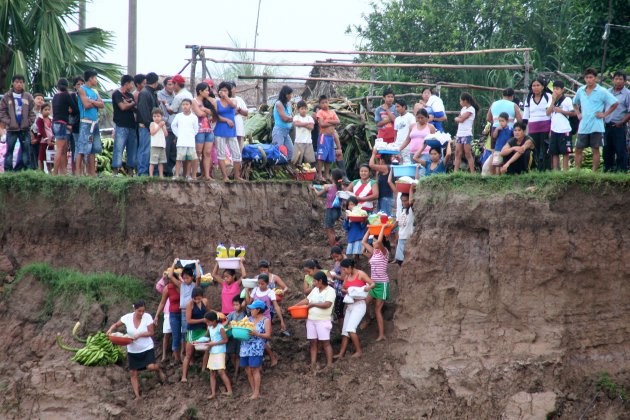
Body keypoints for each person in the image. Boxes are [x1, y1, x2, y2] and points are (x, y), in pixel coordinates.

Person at [106, 300, 165, 400]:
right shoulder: (127, 317)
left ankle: (159, 369)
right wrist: (110, 329)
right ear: (134, 309)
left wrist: (139, 335)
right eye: (139, 311)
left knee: (151, 367)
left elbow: (151, 332)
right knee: (133, 373)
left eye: (143, 311)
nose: (141, 313)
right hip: (133, 350)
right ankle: (137, 396)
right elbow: (116, 325)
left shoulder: (147, 317)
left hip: (146, 347)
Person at [573, 68, 619, 171]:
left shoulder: (601, 91)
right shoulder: (581, 90)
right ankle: (576, 172)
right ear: (584, 79)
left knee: (595, 149)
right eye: (587, 77)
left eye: (591, 77)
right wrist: (578, 113)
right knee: (578, 149)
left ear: (596, 78)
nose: (589, 80)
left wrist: (604, 114)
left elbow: (615, 103)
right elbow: (574, 103)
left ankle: (594, 173)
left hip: (596, 125)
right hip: (583, 125)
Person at [334, 258, 375, 359]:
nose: (343, 272)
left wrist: (366, 289)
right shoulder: (347, 276)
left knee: (350, 329)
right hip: (350, 305)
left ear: (350, 267)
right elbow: (343, 287)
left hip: (359, 304)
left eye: (344, 269)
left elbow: (373, 284)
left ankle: (359, 351)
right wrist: (346, 291)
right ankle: (341, 354)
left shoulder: (360, 274)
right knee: (345, 331)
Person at [294, 271, 336, 369]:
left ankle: (329, 365)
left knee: (325, 343)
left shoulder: (330, 291)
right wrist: (295, 306)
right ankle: (313, 363)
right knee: (313, 342)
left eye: (315, 281)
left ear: (321, 281)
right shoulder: (315, 290)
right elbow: (307, 300)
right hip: (311, 320)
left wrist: (313, 304)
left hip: (323, 320)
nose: (313, 283)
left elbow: (327, 304)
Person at [0, 74, 36, 172]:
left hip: (24, 128)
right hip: (12, 129)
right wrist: (9, 122)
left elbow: (32, 111)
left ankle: (25, 171)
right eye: (16, 82)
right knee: (9, 151)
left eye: (21, 82)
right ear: (13, 83)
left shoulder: (28, 96)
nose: (19, 84)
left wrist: (28, 122)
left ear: (23, 83)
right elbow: (2, 112)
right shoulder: (7, 96)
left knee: (26, 151)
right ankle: (8, 171)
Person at [361, 224, 390, 342]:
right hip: (373, 284)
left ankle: (381, 334)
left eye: (373, 240)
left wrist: (382, 227)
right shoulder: (375, 252)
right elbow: (363, 242)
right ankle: (368, 320)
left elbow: (378, 242)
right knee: (364, 303)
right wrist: (370, 229)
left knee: (377, 310)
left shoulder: (384, 252)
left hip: (382, 285)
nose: (372, 243)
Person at [239, 300, 272, 399]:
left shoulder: (265, 320)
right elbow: (240, 328)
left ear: (258, 310)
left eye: (252, 309)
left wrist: (257, 334)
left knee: (255, 369)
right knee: (248, 369)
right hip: (245, 347)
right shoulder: (248, 319)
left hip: (256, 348)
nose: (250, 310)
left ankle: (257, 392)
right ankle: (253, 390)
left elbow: (268, 335)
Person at [76, 69, 104, 177]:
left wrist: (92, 101)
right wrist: (96, 102)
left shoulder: (95, 91)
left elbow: (102, 105)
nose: (96, 80)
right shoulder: (82, 89)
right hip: (86, 122)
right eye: (95, 78)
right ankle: (78, 173)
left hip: (95, 122)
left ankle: (92, 173)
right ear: (90, 78)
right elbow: (86, 105)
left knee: (93, 149)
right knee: (82, 148)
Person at [214, 81, 243, 181]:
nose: (223, 92)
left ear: (229, 92)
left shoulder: (233, 100)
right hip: (220, 130)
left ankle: (237, 176)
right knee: (221, 154)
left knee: (237, 154)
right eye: (221, 90)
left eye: (225, 90)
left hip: (231, 131)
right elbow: (216, 116)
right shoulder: (216, 101)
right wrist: (226, 120)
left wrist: (225, 97)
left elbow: (233, 106)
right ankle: (225, 176)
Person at [523, 78, 553, 171]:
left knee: (545, 149)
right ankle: (536, 168)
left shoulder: (548, 96)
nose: (535, 87)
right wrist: (524, 129)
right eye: (533, 86)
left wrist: (551, 129)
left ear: (543, 87)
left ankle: (545, 169)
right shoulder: (529, 98)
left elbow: (551, 113)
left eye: (538, 85)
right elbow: (525, 115)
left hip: (545, 126)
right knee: (534, 149)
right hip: (533, 128)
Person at [603, 71, 630, 172]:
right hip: (607, 126)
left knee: (621, 150)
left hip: (620, 126)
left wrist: (622, 122)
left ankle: (621, 171)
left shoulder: (627, 94)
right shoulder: (607, 92)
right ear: (613, 80)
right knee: (607, 150)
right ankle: (608, 170)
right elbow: (602, 108)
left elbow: (629, 111)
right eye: (616, 79)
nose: (618, 81)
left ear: (625, 81)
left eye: (620, 79)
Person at [111, 74, 138, 176]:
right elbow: (122, 107)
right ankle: (115, 171)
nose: (132, 86)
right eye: (131, 84)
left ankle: (131, 170)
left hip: (131, 125)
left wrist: (131, 104)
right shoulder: (116, 94)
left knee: (132, 149)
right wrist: (132, 103)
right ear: (126, 84)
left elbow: (132, 108)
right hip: (121, 124)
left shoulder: (130, 95)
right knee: (119, 148)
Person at [181, 287, 209, 382]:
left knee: (207, 349)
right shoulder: (190, 304)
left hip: (202, 330)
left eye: (199, 298)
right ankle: (184, 376)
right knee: (188, 354)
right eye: (195, 298)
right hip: (193, 331)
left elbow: (208, 312)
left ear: (202, 297)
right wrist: (202, 320)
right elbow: (189, 320)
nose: (197, 300)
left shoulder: (205, 302)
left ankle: (203, 369)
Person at [51, 78, 78, 176]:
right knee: (59, 149)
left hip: (54, 123)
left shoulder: (55, 96)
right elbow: (75, 108)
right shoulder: (66, 95)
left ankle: (63, 173)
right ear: (67, 86)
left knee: (61, 149)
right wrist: (69, 110)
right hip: (62, 123)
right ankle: (54, 174)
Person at [547, 81, 575, 171]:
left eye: (557, 89)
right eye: (554, 88)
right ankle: (555, 171)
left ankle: (565, 171)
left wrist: (562, 111)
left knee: (565, 152)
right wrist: (553, 101)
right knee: (554, 152)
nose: (555, 90)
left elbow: (573, 113)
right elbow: (547, 113)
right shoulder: (551, 100)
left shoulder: (567, 100)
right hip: (554, 129)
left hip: (565, 129)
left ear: (562, 90)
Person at [192, 82, 218, 180]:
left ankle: (206, 175)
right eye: (206, 90)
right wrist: (207, 111)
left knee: (207, 153)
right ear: (200, 91)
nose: (208, 92)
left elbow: (214, 113)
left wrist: (205, 110)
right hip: (199, 130)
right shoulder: (194, 101)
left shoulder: (207, 101)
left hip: (209, 130)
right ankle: (194, 174)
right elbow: (199, 114)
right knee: (198, 152)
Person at [398, 109, 436, 174]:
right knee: (414, 173)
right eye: (418, 118)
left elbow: (434, 141)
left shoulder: (430, 127)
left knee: (421, 173)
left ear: (427, 118)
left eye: (422, 118)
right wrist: (399, 149)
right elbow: (408, 139)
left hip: (425, 153)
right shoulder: (412, 126)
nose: (420, 119)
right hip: (412, 153)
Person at [204, 311, 233, 398]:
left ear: (213, 321)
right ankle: (213, 393)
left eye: (208, 322)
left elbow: (225, 340)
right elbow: (208, 337)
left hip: (220, 351)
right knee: (212, 372)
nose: (207, 323)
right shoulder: (210, 328)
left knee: (221, 371)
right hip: (212, 351)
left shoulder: (220, 327)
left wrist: (213, 344)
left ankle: (230, 391)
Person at [135, 72, 159, 176]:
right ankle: (143, 172)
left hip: (151, 126)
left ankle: (151, 172)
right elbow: (143, 111)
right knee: (144, 149)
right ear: (156, 82)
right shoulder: (145, 93)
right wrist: (150, 125)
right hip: (146, 126)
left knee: (151, 149)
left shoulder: (151, 92)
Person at [315, 95, 343, 182]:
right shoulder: (320, 112)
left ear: (328, 102)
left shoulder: (332, 112)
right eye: (322, 103)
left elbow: (338, 121)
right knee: (321, 156)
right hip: (323, 137)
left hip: (331, 137)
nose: (324, 104)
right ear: (320, 104)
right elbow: (322, 124)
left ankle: (326, 175)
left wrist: (328, 121)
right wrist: (332, 123)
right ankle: (319, 175)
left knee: (329, 157)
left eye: (326, 102)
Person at [315, 168, 344, 246]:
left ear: (332, 177)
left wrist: (313, 188)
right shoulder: (342, 187)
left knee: (328, 228)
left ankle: (333, 247)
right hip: (338, 211)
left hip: (330, 210)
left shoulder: (328, 187)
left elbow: (318, 194)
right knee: (332, 227)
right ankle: (335, 243)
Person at [171, 98, 199, 180]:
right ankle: (176, 175)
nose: (185, 106)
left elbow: (196, 129)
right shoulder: (178, 116)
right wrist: (178, 134)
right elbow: (173, 125)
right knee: (179, 158)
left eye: (187, 104)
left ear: (190, 105)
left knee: (189, 159)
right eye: (183, 105)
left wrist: (191, 135)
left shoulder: (194, 117)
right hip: (181, 141)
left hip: (190, 142)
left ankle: (188, 175)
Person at [453, 92, 479, 174]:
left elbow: (461, 119)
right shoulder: (463, 109)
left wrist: (457, 118)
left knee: (467, 153)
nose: (460, 102)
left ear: (465, 101)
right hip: (459, 133)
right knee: (457, 153)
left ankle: (472, 173)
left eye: (461, 101)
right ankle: (455, 172)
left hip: (467, 134)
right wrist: (458, 118)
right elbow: (460, 118)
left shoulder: (471, 109)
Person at [157, 77, 176, 176]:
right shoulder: (159, 95)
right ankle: (163, 173)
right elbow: (158, 112)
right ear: (165, 85)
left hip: (175, 129)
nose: (171, 86)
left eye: (173, 84)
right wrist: (166, 121)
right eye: (169, 84)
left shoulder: (176, 95)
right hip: (165, 127)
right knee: (165, 150)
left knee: (173, 152)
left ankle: (169, 172)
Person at [226, 296, 247, 381]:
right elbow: (226, 322)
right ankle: (236, 369)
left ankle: (236, 372)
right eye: (233, 305)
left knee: (238, 355)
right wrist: (226, 326)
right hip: (232, 337)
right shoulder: (231, 314)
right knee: (231, 354)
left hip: (240, 337)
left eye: (237, 304)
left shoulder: (244, 314)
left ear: (241, 305)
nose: (235, 306)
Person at [369, 148, 394, 215]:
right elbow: (377, 183)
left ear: (382, 160)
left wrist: (373, 154)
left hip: (386, 198)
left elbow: (371, 165)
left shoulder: (386, 167)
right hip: (382, 197)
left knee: (385, 218)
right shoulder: (383, 169)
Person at [272, 85, 294, 160]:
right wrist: (294, 119)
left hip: (286, 132)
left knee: (291, 151)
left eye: (291, 94)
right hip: (279, 132)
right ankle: (277, 169)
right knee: (279, 152)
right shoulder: (279, 104)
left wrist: (293, 118)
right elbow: (284, 118)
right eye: (289, 94)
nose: (291, 96)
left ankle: (287, 168)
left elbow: (291, 116)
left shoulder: (289, 104)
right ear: (285, 94)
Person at [343, 196, 368, 261]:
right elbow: (345, 227)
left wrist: (364, 220)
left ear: (356, 205)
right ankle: (351, 267)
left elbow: (362, 227)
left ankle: (357, 267)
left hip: (358, 237)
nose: (351, 206)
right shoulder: (348, 215)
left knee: (356, 255)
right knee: (349, 254)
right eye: (349, 205)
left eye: (352, 204)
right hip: (351, 238)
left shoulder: (360, 214)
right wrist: (346, 219)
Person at [154, 273, 172, 362]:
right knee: (166, 334)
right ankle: (164, 355)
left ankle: (176, 354)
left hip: (177, 313)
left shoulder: (179, 287)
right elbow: (158, 287)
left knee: (180, 336)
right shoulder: (167, 289)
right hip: (168, 313)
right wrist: (163, 278)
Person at [329, 246, 347, 328]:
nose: (335, 259)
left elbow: (343, 278)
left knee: (339, 310)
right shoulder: (338, 261)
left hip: (341, 290)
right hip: (337, 287)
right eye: (333, 257)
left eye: (337, 256)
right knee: (338, 310)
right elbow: (335, 269)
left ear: (341, 254)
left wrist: (334, 275)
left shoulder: (344, 263)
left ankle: (343, 332)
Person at [292, 100, 315, 166]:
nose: (304, 110)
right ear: (298, 109)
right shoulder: (296, 117)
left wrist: (301, 124)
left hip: (308, 142)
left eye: (305, 108)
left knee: (309, 161)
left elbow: (311, 127)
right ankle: (297, 175)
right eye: (302, 109)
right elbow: (296, 123)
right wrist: (307, 123)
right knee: (296, 161)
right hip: (298, 142)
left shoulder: (309, 117)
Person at [68, 77, 84, 174]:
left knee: (85, 149)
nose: (80, 86)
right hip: (75, 125)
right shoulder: (72, 96)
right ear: (74, 86)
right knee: (76, 147)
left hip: (85, 125)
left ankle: (83, 171)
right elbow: (71, 111)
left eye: (82, 83)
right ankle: (76, 171)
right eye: (78, 84)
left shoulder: (87, 95)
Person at [394, 98, 416, 164]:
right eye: (396, 107)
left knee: (407, 162)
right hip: (398, 145)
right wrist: (395, 144)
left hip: (408, 146)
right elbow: (396, 133)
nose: (396, 109)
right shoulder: (397, 119)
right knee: (398, 163)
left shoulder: (410, 117)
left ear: (404, 107)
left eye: (398, 106)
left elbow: (413, 130)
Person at [395, 191, 414, 265]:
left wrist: (411, 189)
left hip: (408, 238)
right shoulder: (402, 210)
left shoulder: (411, 210)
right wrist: (389, 229)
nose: (404, 203)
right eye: (402, 201)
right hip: (401, 238)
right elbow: (397, 222)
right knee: (400, 260)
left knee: (406, 260)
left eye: (405, 200)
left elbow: (411, 201)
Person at [149, 108, 168, 177]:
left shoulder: (163, 124)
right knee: (152, 162)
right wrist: (159, 126)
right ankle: (151, 175)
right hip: (155, 145)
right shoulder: (152, 124)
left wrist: (162, 127)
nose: (156, 118)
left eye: (158, 116)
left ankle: (161, 175)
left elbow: (166, 134)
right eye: (154, 116)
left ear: (161, 117)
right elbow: (152, 133)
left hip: (162, 145)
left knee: (161, 162)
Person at [35, 102, 53, 173]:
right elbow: (41, 130)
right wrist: (46, 139)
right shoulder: (40, 119)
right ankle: (41, 171)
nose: (47, 111)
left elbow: (52, 129)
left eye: (49, 110)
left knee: (49, 157)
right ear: (41, 110)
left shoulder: (51, 119)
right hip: (43, 141)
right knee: (41, 157)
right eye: (45, 110)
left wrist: (52, 140)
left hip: (51, 141)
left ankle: (50, 171)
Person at [28, 93, 45, 170]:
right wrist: (31, 135)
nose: (40, 101)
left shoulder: (44, 112)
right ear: (33, 100)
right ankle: (32, 170)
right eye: (38, 98)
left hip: (41, 135)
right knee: (31, 153)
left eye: (42, 99)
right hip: (30, 133)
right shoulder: (29, 111)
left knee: (40, 154)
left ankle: (41, 170)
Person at [230, 81, 249, 150]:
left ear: (235, 89)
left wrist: (238, 110)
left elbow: (246, 113)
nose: (230, 90)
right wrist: (238, 111)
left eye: (231, 88)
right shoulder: (226, 100)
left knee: (239, 146)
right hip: (229, 127)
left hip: (239, 127)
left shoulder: (239, 99)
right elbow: (230, 113)